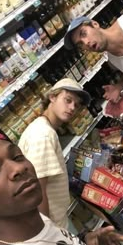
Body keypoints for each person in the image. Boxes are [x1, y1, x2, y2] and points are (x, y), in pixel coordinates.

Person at [18, 78, 91, 229]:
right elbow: (37, 190)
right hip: (52, 225)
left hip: (56, 220)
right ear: (52, 97)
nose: (72, 108)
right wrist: (48, 231)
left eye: (76, 105)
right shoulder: (43, 135)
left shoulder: (44, 128)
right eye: (68, 100)